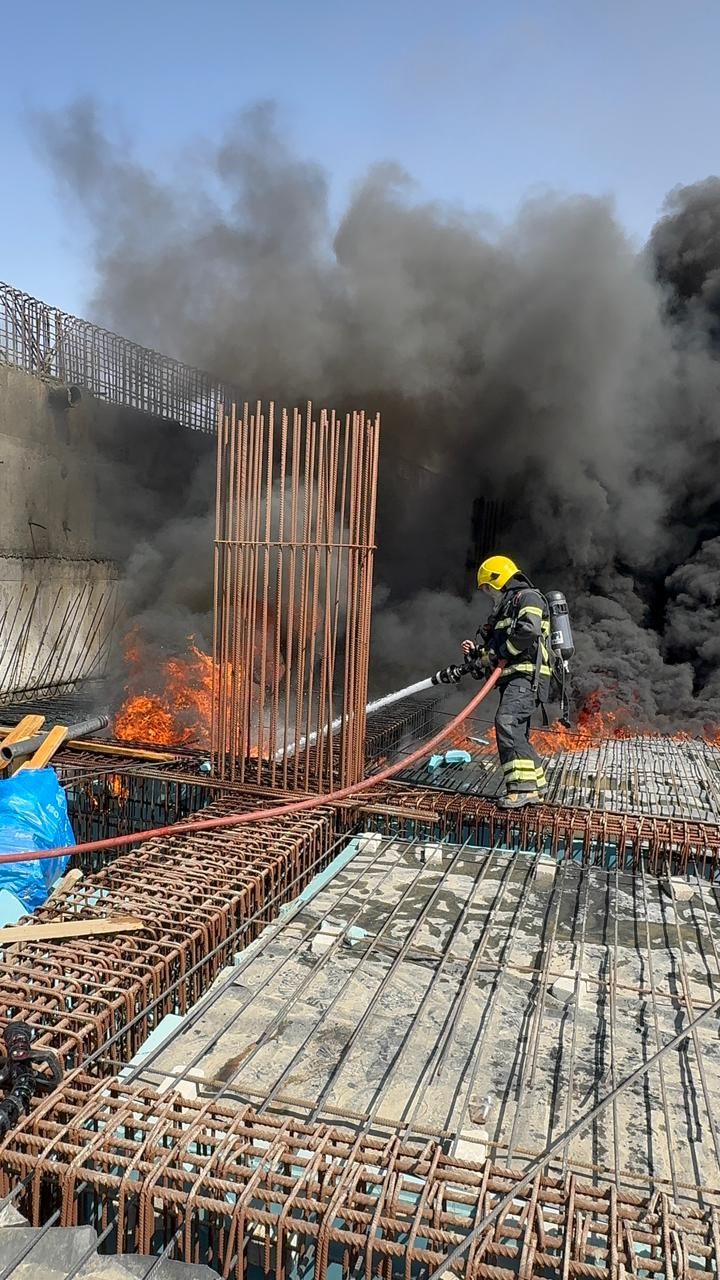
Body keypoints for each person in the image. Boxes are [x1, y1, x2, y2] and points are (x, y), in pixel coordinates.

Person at [463, 555, 551, 810]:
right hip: (515, 677)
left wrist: (499, 653)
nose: (488, 594)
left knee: (507, 722)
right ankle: (537, 786)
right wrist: (477, 655)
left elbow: (528, 631)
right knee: (517, 730)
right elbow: (494, 652)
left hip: (526, 676)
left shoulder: (528, 598)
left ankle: (521, 789)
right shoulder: (504, 610)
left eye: (487, 588)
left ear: (497, 579)